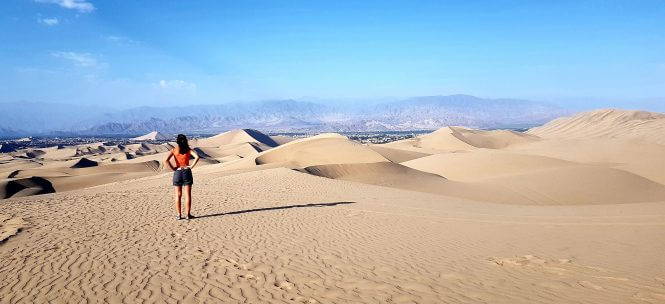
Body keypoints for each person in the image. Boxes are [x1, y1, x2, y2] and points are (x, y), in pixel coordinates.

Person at [165, 134, 200, 220]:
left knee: (178, 195)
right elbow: (197, 157)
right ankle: (188, 215)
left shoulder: (174, 150)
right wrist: (191, 166)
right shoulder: (188, 150)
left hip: (178, 172)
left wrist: (173, 168)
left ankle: (179, 215)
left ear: (177, 141)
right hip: (187, 172)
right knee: (187, 195)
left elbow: (166, 160)